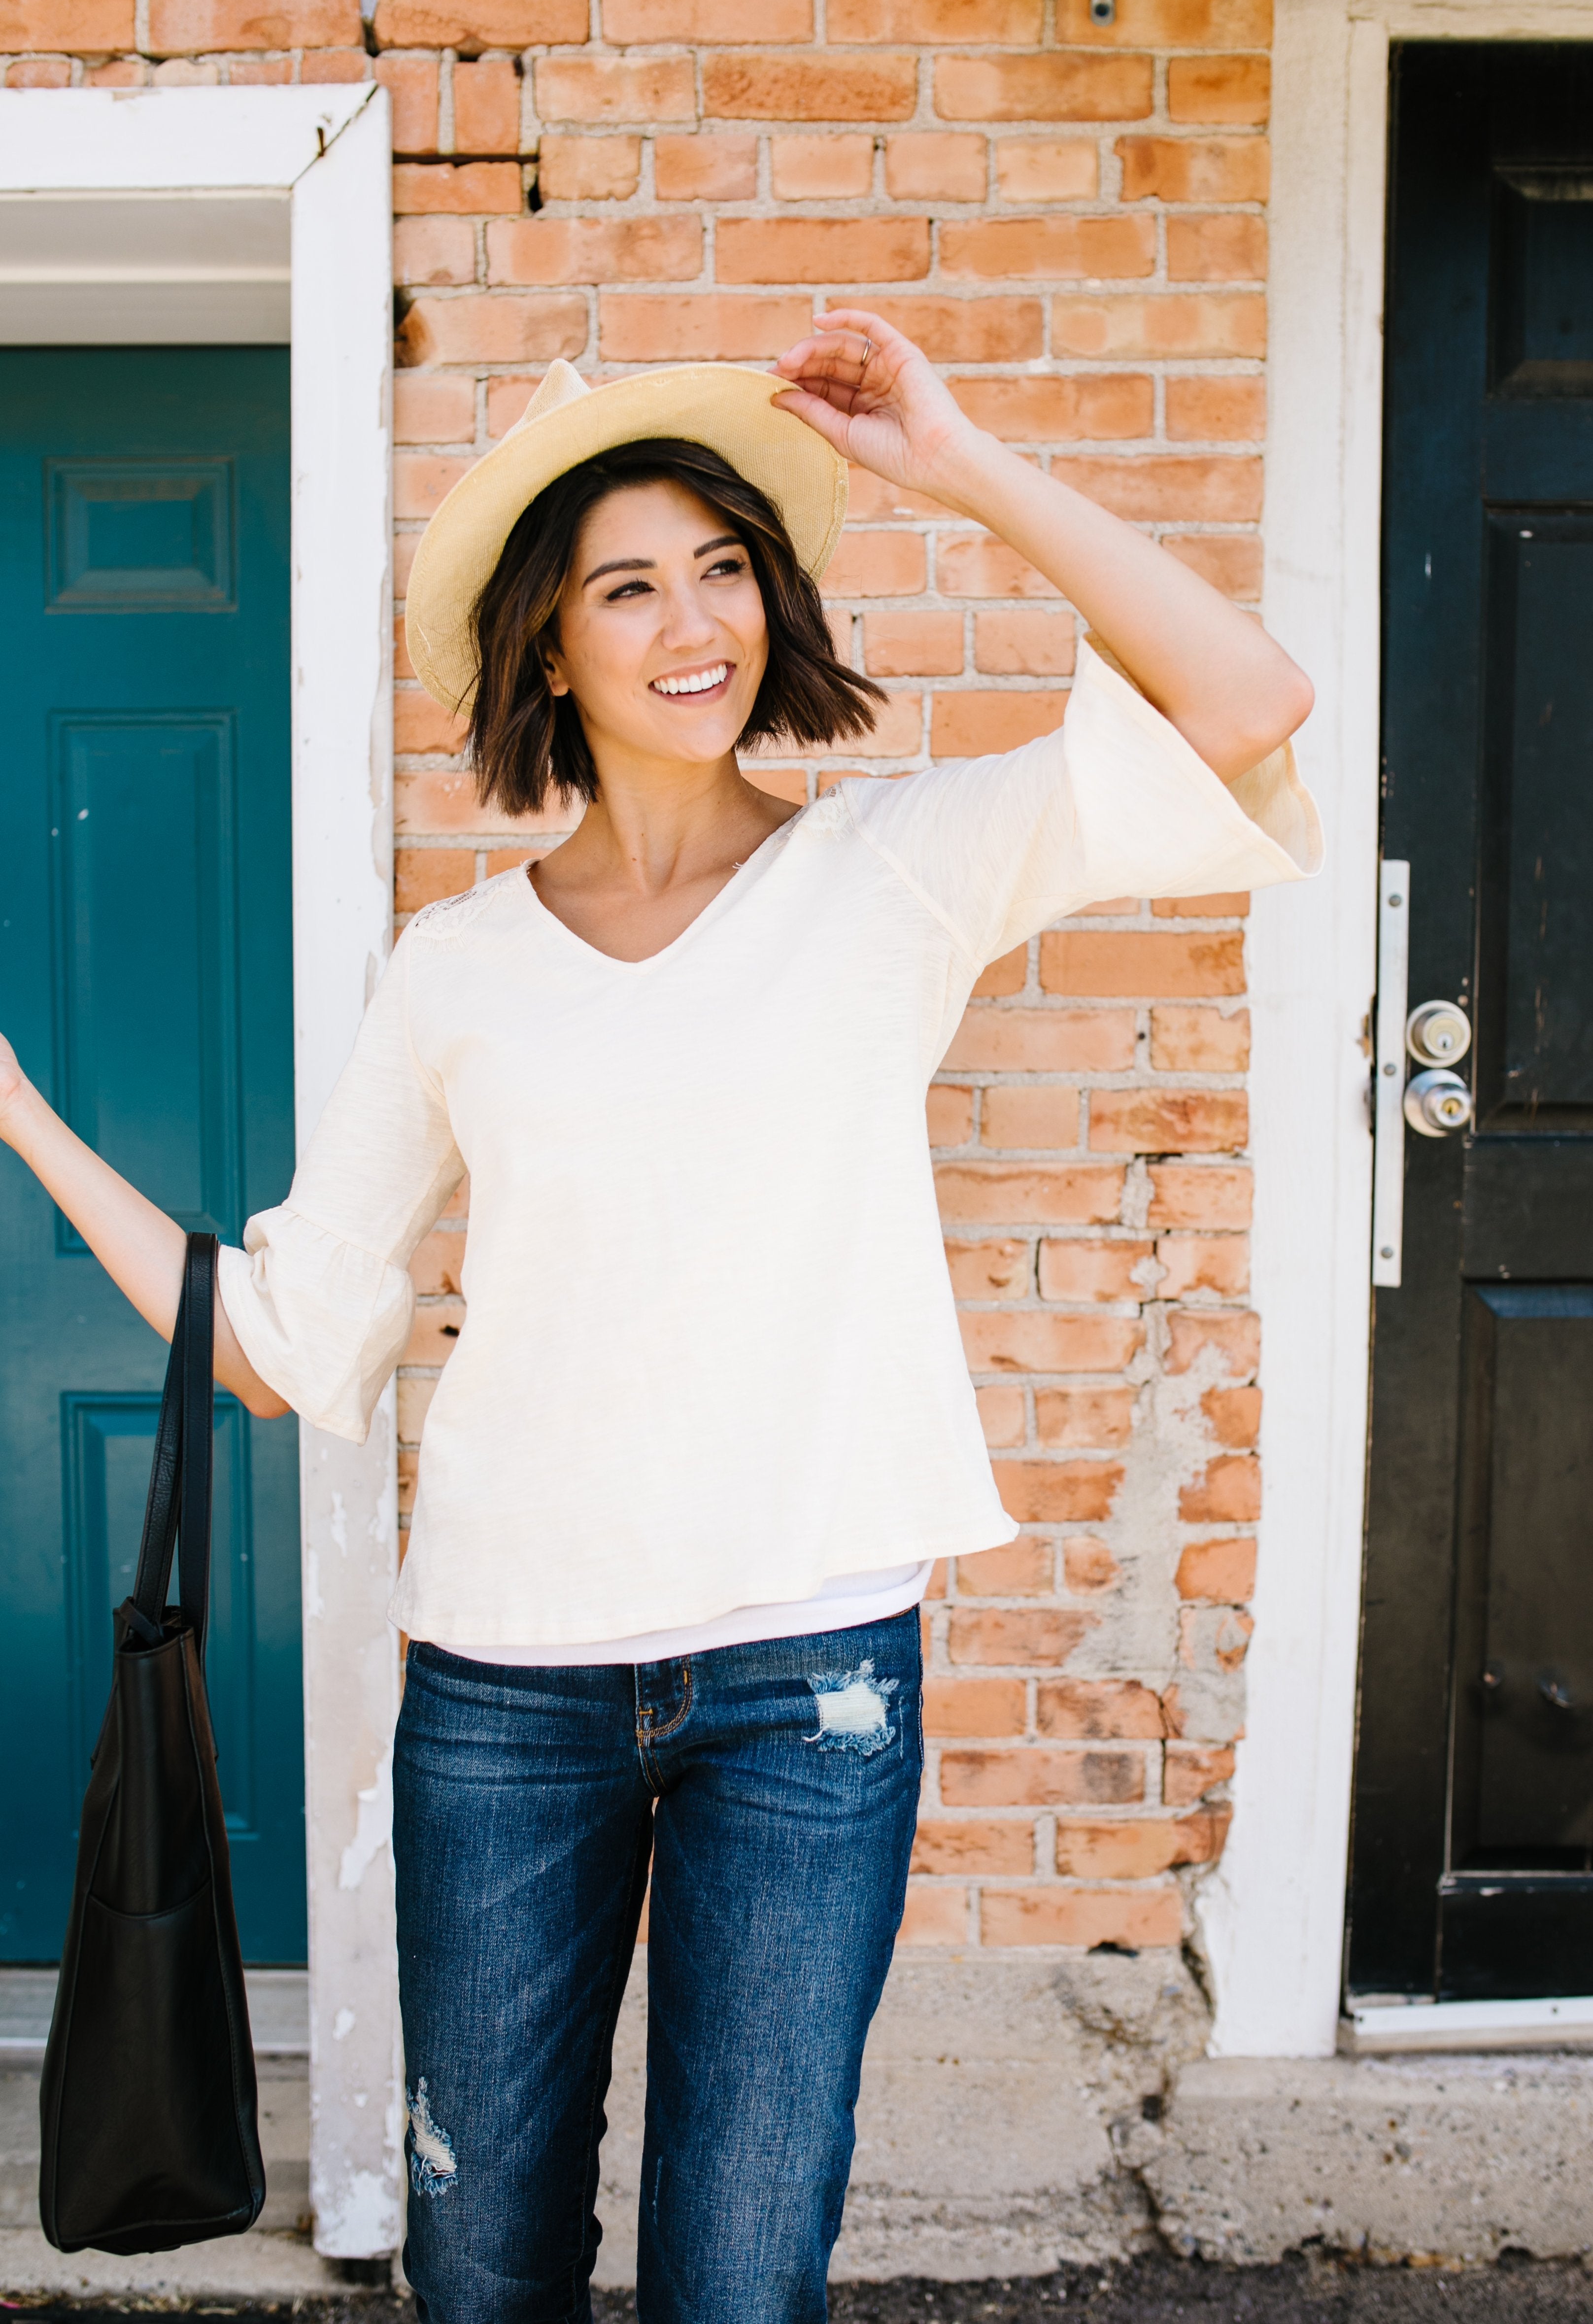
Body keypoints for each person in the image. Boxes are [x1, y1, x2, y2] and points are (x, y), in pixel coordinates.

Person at [0, 308, 1320, 2324]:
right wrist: (17, 1114)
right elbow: (275, 1342)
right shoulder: (454, 973)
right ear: (551, 646)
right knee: (483, 2260)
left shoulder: (899, 868)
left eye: (720, 568)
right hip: (503, 1703)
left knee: (737, 2273)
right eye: (628, 585)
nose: (690, 619)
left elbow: (1243, 699)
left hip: (807, 1688)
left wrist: (952, 457)